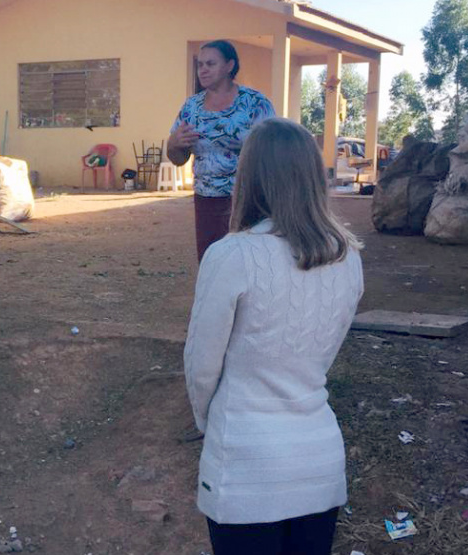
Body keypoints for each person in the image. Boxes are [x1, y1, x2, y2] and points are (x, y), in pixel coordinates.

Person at [183, 118, 364, 555]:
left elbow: (201, 368)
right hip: (319, 462)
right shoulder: (347, 256)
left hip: (245, 467)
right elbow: (323, 354)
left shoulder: (230, 255)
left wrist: (211, 423)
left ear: (249, 177)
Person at [165, 40, 275, 261]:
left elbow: (273, 153)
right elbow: (178, 159)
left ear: (229, 66)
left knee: (248, 262)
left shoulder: (255, 103)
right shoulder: (191, 107)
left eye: (210, 64)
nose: (203, 70)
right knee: (211, 261)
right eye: (200, 65)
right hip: (207, 201)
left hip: (249, 200)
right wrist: (174, 143)